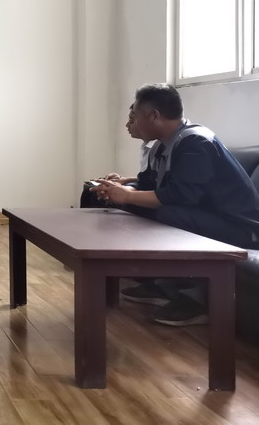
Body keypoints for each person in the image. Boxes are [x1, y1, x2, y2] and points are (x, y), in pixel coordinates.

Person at [92, 83, 259, 325]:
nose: (133, 122)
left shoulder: (196, 142)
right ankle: (161, 284)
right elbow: (150, 184)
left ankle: (195, 299)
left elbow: (182, 196)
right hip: (207, 216)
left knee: (171, 214)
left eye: (135, 115)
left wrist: (127, 195)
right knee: (138, 206)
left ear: (154, 116)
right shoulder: (164, 143)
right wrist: (120, 189)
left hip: (240, 228)